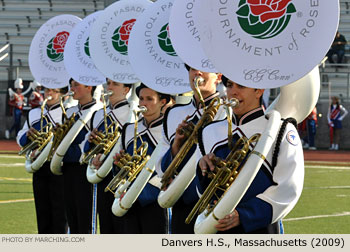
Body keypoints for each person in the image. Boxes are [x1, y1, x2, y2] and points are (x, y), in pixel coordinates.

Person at [196, 76, 304, 233]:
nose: (233, 92)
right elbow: (202, 193)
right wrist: (202, 170)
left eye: (241, 86)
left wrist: (245, 214)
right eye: (229, 85)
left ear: (259, 91)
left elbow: (289, 187)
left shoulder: (281, 129)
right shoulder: (209, 131)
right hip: (217, 226)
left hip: (260, 227)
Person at [156, 64, 226, 234]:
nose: (197, 73)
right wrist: (176, 146)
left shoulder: (228, 110)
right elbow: (162, 168)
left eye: (203, 68)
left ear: (218, 76)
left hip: (215, 204)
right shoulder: (174, 114)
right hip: (182, 202)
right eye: (192, 69)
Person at [110, 83, 171, 233]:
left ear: (163, 102)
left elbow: (170, 168)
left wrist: (142, 194)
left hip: (156, 201)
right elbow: (120, 169)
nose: (143, 103)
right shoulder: (129, 129)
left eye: (149, 99)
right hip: (129, 200)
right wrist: (118, 165)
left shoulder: (168, 130)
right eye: (141, 99)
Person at [83, 78, 132, 234]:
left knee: (122, 227)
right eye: (108, 83)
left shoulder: (132, 113)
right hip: (102, 177)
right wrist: (91, 144)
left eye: (115, 84)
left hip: (122, 178)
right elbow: (86, 149)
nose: (109, 87)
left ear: (126, 90)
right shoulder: (98, 114)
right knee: (105, 226)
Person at [16, 87, 68, 234]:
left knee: (60, 215)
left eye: (54, 90)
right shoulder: (34, 113)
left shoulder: (68, 112)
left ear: (61, 93)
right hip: (39, 166)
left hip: (59, 168)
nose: (49, 93)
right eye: (47, 90)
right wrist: (28, 135)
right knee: (42, 212)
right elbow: (20, 137)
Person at [59, 78, 102, 234]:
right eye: (71, 85)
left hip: (86, 170)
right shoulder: (69, 111)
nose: (72, 88)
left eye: (76, 85)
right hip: (67, 169)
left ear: (89, 87)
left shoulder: (98, 112)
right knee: (71, 217)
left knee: (86, 219)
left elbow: (92, 144)